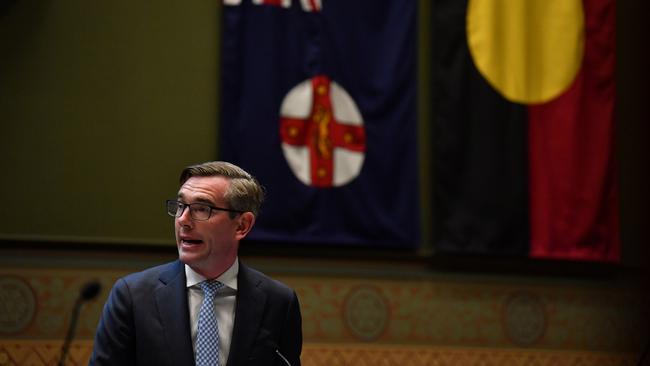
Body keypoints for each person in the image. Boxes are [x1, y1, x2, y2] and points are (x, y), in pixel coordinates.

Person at [90, 161, 302, 366]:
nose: (183, 219)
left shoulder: (279, 302)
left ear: (242, 226)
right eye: (181, 205)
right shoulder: (133, 297)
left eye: (202, 209)